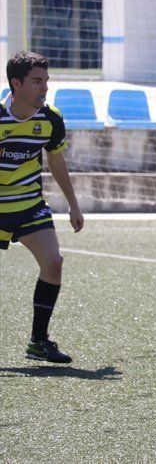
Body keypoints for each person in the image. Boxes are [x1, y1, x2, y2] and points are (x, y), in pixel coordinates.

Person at [1, 51, 84, 363]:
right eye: (37, 81)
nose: (44, 88)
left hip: (28, 202)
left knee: (53, 262)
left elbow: (56, 161)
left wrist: (73, 206)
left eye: (46, 81)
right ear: (16, 83)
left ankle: (38, 342)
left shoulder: (51, 119)